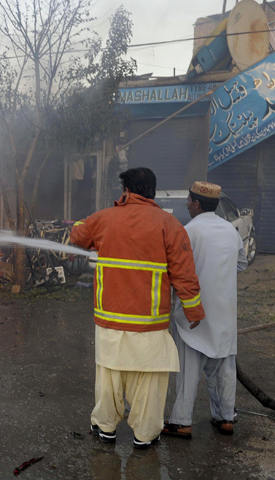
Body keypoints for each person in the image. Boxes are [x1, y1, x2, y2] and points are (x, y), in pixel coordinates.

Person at [71, 167, 205, 449]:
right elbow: (184, 274)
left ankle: (105, 427)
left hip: (110, 322)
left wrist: (86, 221)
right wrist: (194, 311)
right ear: (152, 192)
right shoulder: (170, 226)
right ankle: (145, 435)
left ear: (127, 191)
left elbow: (78, 236)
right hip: (150, 325)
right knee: (149, 385)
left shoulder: (105, 219)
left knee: (108, 379)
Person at [163, 182, 248, 438]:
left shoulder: (188, 231)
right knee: (224, 367)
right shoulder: (230, 230)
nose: (187, 204)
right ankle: (225, 418)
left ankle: (181, 421)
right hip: (224, 311)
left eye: (188, 200)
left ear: (197, 204)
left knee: (189, 368)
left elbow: (174, 269)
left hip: (194, 311)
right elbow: (242, 263)